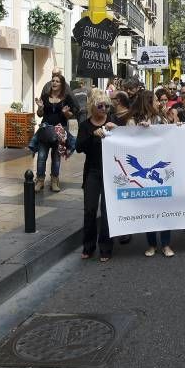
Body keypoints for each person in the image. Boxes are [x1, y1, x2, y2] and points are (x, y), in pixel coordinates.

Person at [126, 90, 175, 258]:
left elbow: (171, 136)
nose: (158, 103)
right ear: (147, 102)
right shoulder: (132, 121)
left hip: (158, 170)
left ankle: (166, 244)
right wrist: (140, 131)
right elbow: (128, 142)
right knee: (149, 208)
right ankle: (152, 244)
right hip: (145, 171)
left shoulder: (162, 119)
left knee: (164, 208)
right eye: (155, 100)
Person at [76, 89, 115, 261]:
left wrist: (118, 129)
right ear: (93, 106)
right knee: (90, 210)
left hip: (111, 171)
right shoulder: (85, 125)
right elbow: (79, 147)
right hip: (92, 171)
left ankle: (105, 248)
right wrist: (93, 135)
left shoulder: (113, 121)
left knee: (107, 211)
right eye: (101, 106)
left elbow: (130, 136)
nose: (104, 109)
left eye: (107, 106)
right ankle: (88, 246)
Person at [33, 74, 73, 192]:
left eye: (57, 81)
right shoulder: (45, 97)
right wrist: (40, 107)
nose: (54, 83)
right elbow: (40, 114)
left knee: (56, 158)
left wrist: (66, 113)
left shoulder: (67, 98)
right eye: (53, 81)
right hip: (46, 130)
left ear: (62, 84)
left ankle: (54, 181)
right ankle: (40, 181)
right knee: (41, 156)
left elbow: (71, 115)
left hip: (60, 130)